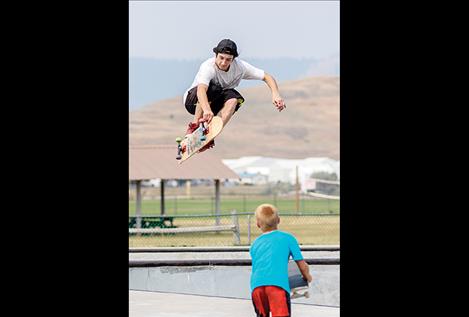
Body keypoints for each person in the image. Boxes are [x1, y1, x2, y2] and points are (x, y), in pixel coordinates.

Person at [183, 39, 286, 151]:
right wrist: (207, 110)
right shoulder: (208, 67)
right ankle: (194, 126)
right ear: (216, 55)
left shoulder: (240, 67)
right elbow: (201, 90)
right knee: (214, 89)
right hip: (193, 102)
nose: (223, 63)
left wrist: (275, 94)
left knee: (234, 99)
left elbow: (267, 77)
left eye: (228, 60)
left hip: (214, 103)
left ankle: (210, 135)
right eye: (221, 58)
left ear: (233, 59)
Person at [250, 204, 313, 317]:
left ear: (258, 224)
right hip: (277, 287)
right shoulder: (288, 238)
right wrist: (308, 277)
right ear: (278, 220)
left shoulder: (255, 243)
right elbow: (301, 265)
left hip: (257, 287)